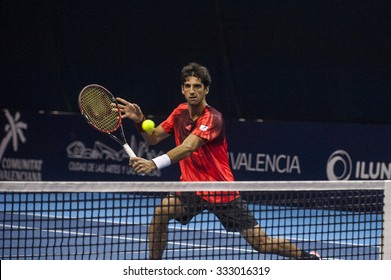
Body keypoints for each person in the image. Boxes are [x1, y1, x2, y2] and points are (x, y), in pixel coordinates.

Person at [116, 62, 320, 260]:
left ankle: (307, 258)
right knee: (161, 212)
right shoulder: (179, 112)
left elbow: (188, 147)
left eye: (197, 86)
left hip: (221, 191)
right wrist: (140, 121)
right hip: (192, 189)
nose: (192, 91)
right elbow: (153, 137)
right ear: (182, 89)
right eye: (188, 86)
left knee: (261, 243)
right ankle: (153, 268)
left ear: (206, 90)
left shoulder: (213, 118)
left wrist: (154, 163)